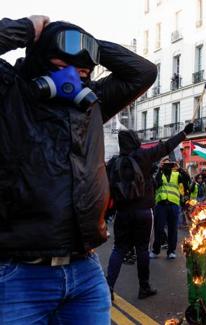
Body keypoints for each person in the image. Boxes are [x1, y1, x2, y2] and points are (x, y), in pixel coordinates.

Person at [0, 16, 157, 323]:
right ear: (37, 62)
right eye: (62, 70)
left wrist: (90, 43)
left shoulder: (90, 103)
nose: (73, 81)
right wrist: (27, 29)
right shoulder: (9, 94)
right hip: (18, 277)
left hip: (84, 271)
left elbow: (143, 72)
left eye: (83, 73)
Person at [106, 123, 193, 300]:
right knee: (142, 249)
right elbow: (166, 146)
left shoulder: (114, 163)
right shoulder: (143, 156)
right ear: (135, 141)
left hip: (122, 213)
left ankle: (108, 287)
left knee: (119, 249)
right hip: (143, 212)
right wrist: (184, 133)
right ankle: (143, 287)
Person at [151, 158, 183, 260]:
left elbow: (187, 180)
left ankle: (171, 251)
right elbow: (157, 183)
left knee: (173, 229)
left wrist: (180, 169)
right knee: (159, 229)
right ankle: (156, 250)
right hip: (161, 205)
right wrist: (159, 169)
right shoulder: (159, 174)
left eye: (169, 163)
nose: (167, 165)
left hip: (173, 205)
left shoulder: (177, 174)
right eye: (165, 163)